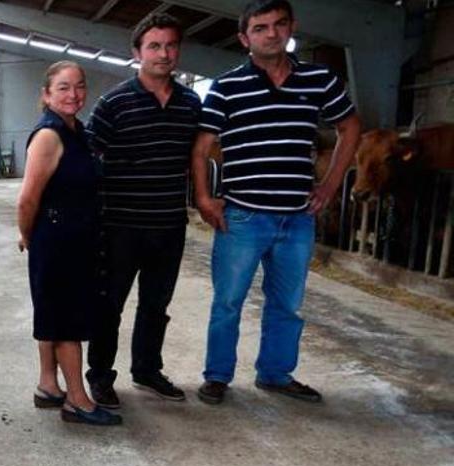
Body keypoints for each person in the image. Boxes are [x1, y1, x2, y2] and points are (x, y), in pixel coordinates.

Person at [191, 0, 361, 405]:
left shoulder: (319, 79)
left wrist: (331, 184)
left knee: (288, 302)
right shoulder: (228, 86)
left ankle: (275, 373)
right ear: (244, 38)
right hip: (244, 215)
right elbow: (201, 147)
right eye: (261, 27)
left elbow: (350, 126)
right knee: (229, 300)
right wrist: (204, 198)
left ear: (291, 28)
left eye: (279, 25)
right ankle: (217, 376)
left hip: (297, 217)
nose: (271, 33)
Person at [84, 13, 201, 409]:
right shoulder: (114, 103)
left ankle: (147, 370)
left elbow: (199, 157)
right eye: (154, 46)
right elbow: (87, 156)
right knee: (109, 306)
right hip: (120, 226)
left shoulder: (191, 103)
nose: (163, 54)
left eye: (170, 46)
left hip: (169, 225)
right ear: (137, 52)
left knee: (156, 305)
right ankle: (100, 376)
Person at [17, 61, 121, 426]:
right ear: (46, 94)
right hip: (58, 239)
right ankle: (77, 400)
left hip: (74, 237)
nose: (73, 94)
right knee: (67, 322)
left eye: (79, 86)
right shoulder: (49, 135)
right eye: (63, 87)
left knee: (54, 313)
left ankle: (49, 385)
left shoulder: (77, 130)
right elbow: (28, 199)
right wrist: (29, 235)